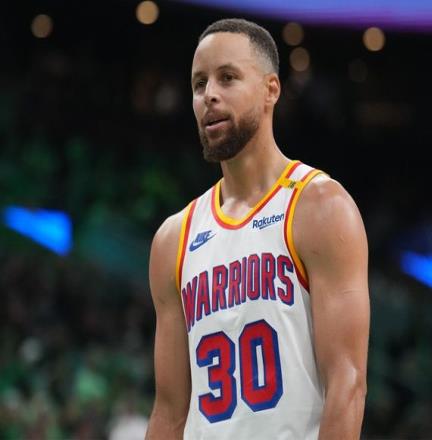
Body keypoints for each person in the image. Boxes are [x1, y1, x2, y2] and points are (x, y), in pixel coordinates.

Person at [146, 18, 370, 440]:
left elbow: (348, 385)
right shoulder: (174, 238)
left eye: (227, 77)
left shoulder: (321, 209)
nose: (209, 95)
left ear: (271, 90)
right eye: (198, 84)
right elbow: (169, 413)